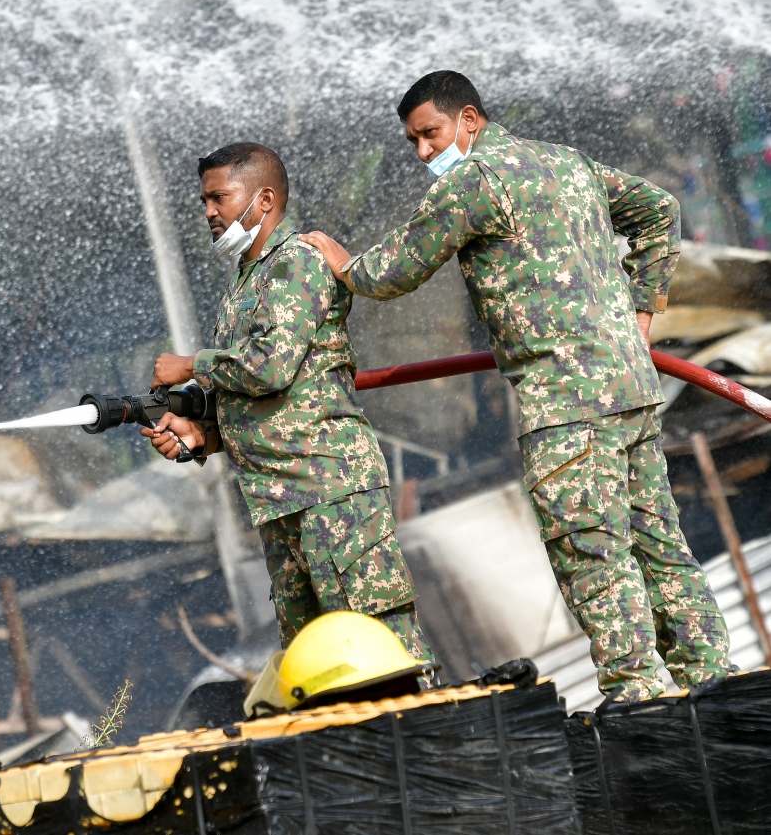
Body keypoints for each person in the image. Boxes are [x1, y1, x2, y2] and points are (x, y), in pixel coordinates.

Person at [301, 70, 732, 703]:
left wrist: (341, 261)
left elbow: (391, 272)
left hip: (566, 409)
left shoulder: (475, 181)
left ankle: (640, 698)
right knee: (659, 546)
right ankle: (716, 684)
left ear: (468, 121)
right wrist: (643, 308)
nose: (423, 152)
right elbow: (657, 209)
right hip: (630, 392)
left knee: (593, 557)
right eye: (413, 142)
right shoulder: (564, 162)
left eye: (430, 134)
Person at [145, 142, 436, 676]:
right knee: (316, 661)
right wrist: (201, 435)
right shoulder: (245, 279)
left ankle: (430, 742)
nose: (209, 211)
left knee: (380, 647)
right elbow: (266, 395)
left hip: (331, 490)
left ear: (264, 199)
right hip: (280, 498)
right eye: (204, 200)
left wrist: (190, 365)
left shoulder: (296, 261)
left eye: (219, 197)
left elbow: (270, 366)